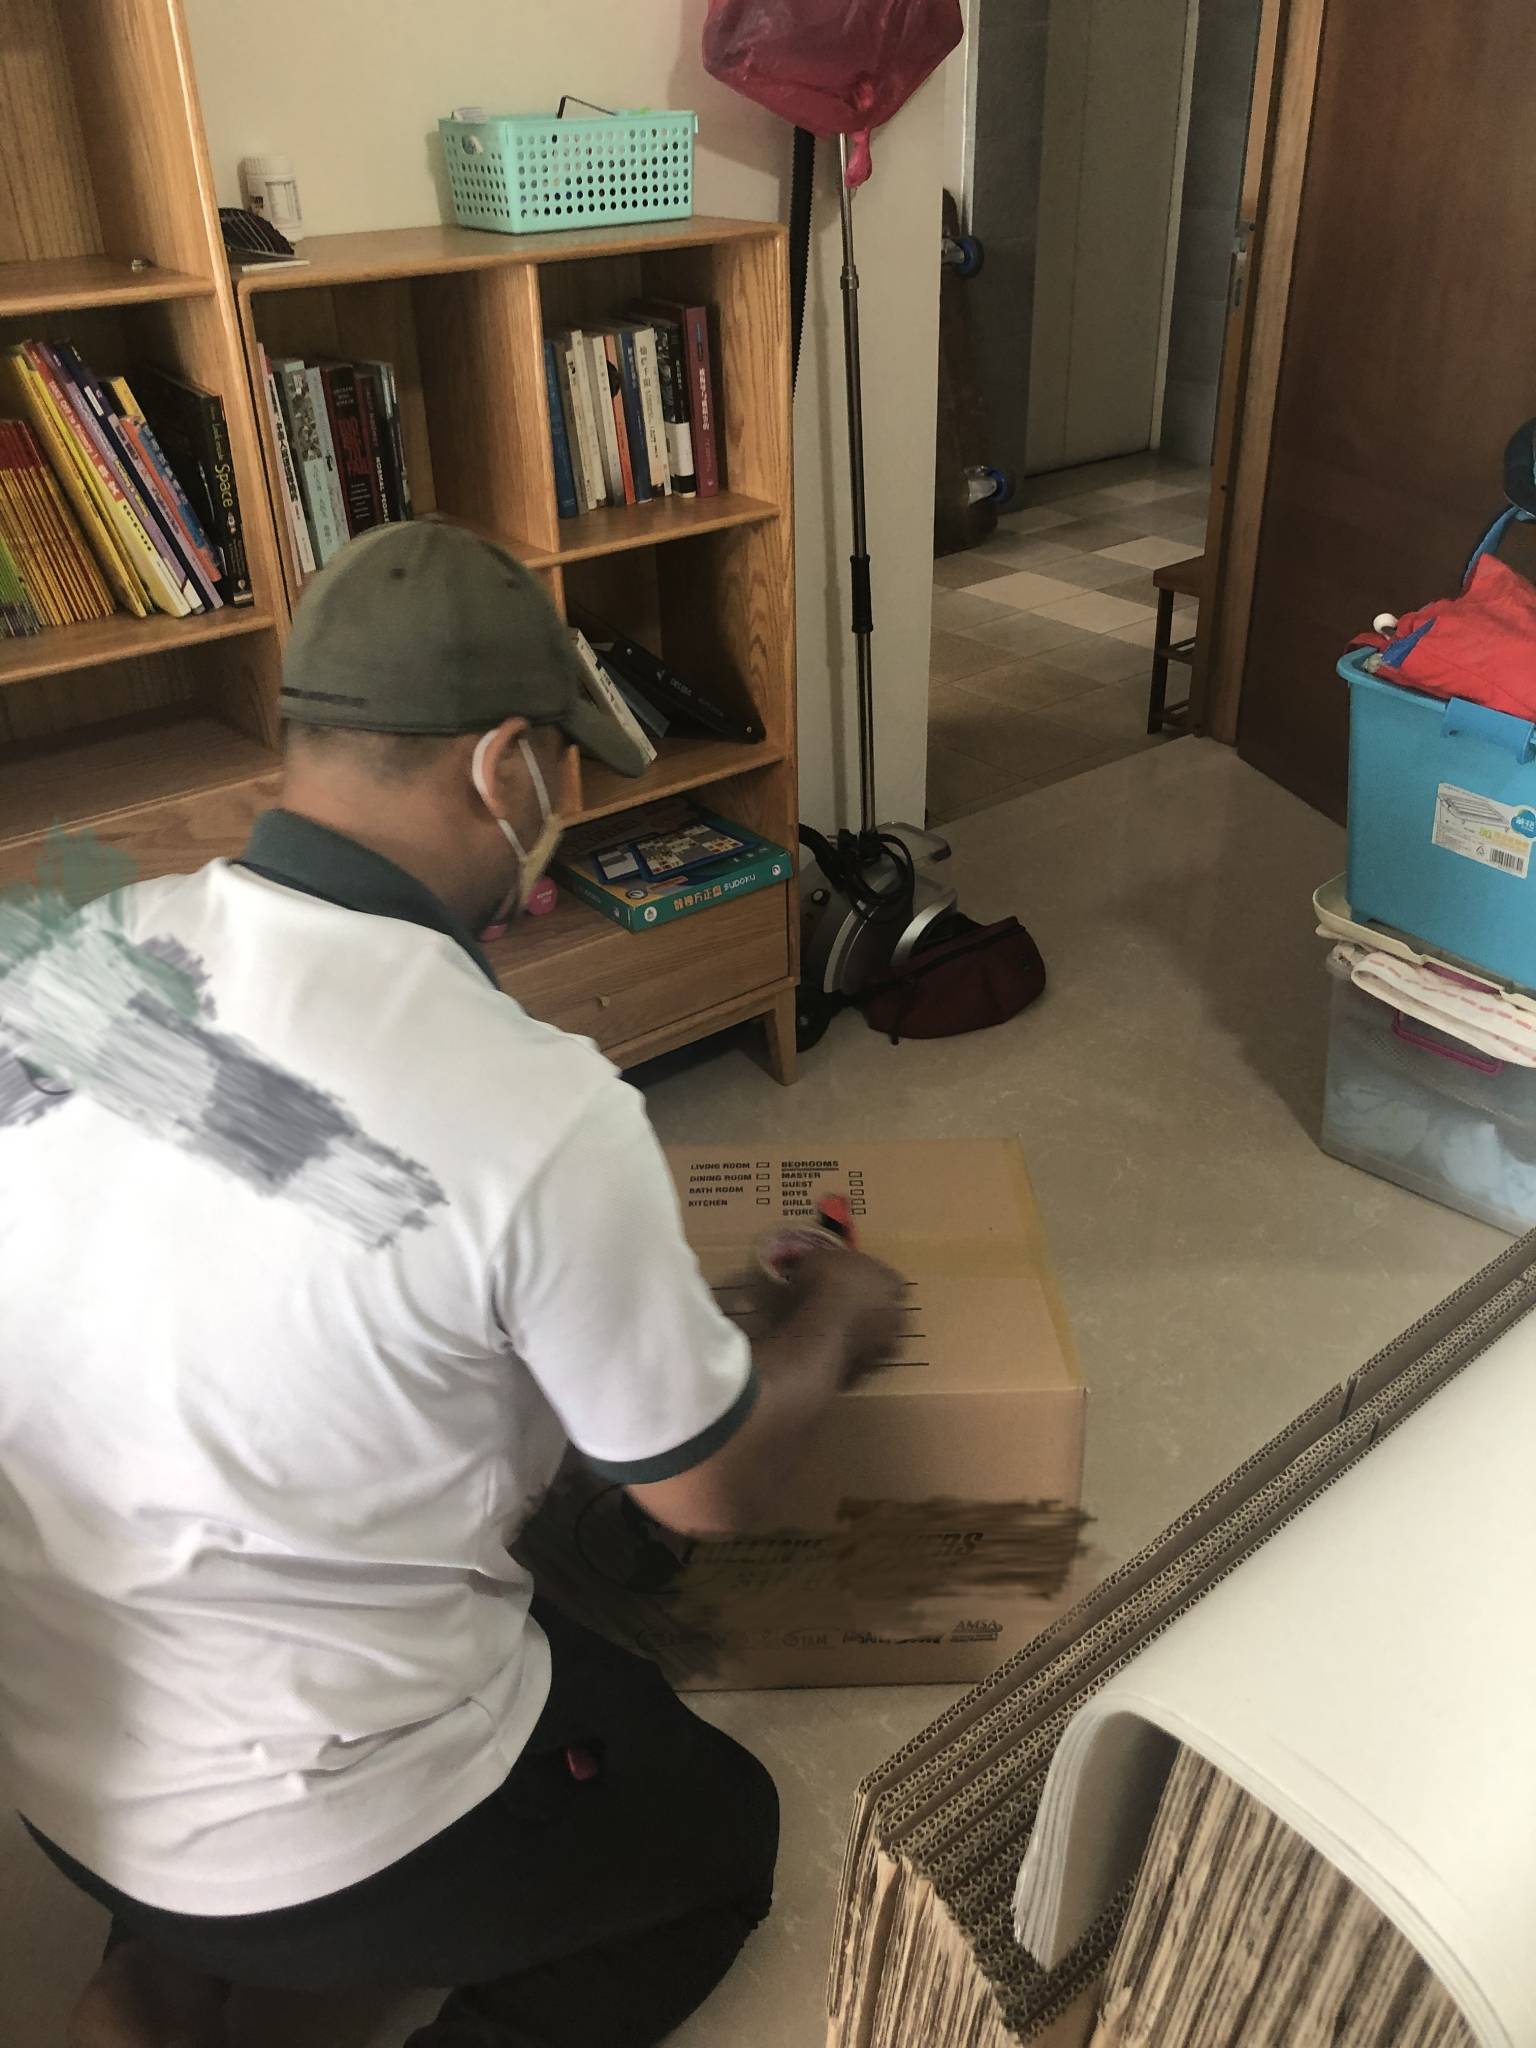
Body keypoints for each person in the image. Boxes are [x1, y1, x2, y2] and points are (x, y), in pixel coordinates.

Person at [0, 521, 905, 2047]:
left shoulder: (74, 958)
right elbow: (707, 1493)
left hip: (63, 1763)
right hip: (304, 1823)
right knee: (715, 1837)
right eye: (560, 764)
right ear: (505, 768)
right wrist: (836, 1323)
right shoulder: (536, 1105)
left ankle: (142, 1986)